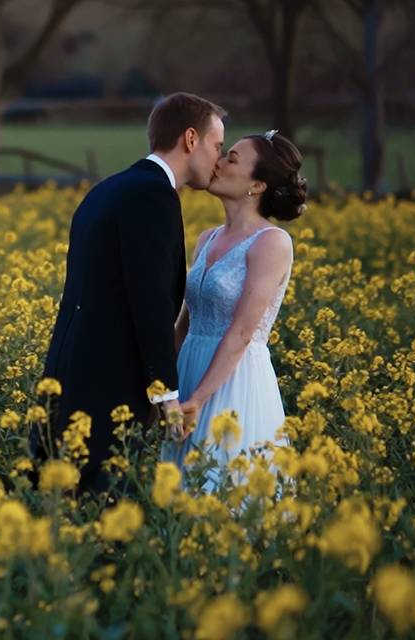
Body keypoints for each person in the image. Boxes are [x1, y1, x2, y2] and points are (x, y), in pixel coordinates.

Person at [30, 92, 227, 494]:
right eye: (217, 145)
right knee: (104, 510)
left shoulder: (108, 189)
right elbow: (149, 301)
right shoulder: (153, 197)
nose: (219, 159)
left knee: (63, 506)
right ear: (191, 139)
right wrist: (166, 396)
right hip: (109, 386)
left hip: (69, 374)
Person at [161, 129, 306, 491]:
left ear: (256, 186)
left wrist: (197, 401)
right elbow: (185, 321)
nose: (219, 161)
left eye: (233, 158)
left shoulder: (272, 243)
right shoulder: (206, 238)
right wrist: (166, 389)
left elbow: (242, 333)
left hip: (233, 381)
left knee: (223, 489)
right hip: (190, 371)